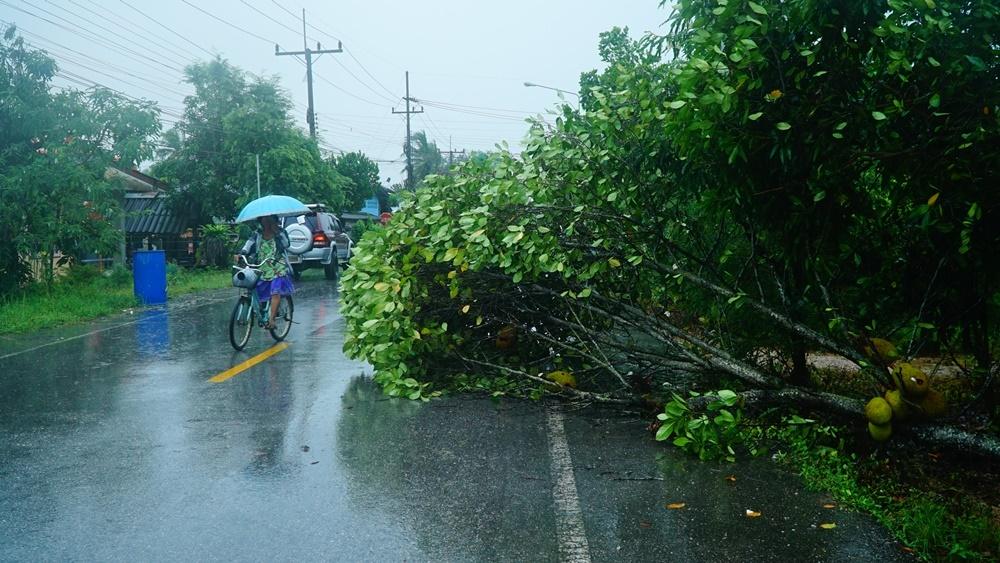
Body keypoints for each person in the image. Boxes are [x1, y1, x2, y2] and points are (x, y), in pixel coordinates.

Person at [234, 215, 294, 329]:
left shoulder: (281, 232)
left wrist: (277, 232)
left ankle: (272, 320)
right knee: (256, 290)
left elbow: (286, 245)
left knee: (275, 292)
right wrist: (241, 254)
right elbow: (248, 245)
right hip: (261, 266)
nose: (266, 222)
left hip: (278, 266)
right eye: (264, 220)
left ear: (274, 221)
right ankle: (262, 312)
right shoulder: (257, 234)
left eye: (269, 220)